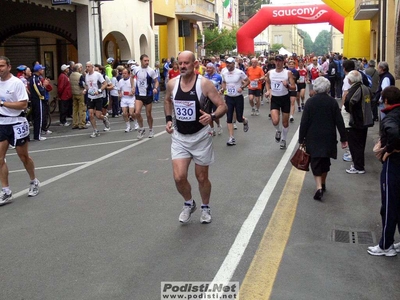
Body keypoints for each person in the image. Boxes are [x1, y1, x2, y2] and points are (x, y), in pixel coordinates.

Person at [164, 50, 227, 224]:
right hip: (180, 137)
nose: (182, 66)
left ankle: (205, 207)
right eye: (180, 63)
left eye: (186, 63)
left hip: (200, 137)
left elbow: (222, 106)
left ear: (195, 64)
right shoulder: (172, 84)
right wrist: (169, 120)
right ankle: (188, 203)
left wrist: (212, 116)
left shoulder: (204, 84)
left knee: (201, 177)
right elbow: (167, 100)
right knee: (179, 177)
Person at [0, 56, 40, 205]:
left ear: (9, 67)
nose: (0, 69)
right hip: (2, 123)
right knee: (0, 158)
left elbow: (23, 105)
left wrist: (3, 103)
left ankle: (33, 181)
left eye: (2, 66)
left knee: (23, 157)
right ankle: (6, 191)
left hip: (17, 122)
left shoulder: (16, 83)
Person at [299, 77, 347, 201]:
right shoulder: (332, 102)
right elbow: (339, 121)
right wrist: (343, 138)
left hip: (313, 136)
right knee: (325, 161)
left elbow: (304, 122)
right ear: (327, 88)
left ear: (315, 88)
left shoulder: (310, 102)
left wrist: (301, 138)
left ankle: (319, 186)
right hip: (328, 136)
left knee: (315, 161)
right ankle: (323, 183)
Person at [368, 86, 400, 256]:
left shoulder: (389, 118)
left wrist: (388, 150)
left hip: (394, 165)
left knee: (388, 206)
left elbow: (394, 135)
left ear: (386, 101)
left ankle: (386, 245)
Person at [343, 70, 374, 174]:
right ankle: (359, 165)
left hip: (357, 120)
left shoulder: (355, 89)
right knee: (361, 144)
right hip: (366, 120)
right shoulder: (366, 88)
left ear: (351, 80)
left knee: (355, 144)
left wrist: (349, 110)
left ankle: (358, 166)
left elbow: (349, 101)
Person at [264, 54, 296, 150]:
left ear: (283, 62)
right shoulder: (270, 72)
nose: (278, 63)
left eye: (280, 61)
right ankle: (278, 130)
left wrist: (288, 86)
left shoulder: (288, 73)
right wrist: (268, 90)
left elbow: (294, 87)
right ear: (274, 62)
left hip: (285, 98)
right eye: (276, 61)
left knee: (285, 122)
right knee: (275, 121)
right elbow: (267, 82)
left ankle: (283, 139)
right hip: (275, 99)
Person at [220, 57, 250, 146]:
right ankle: (231, 138)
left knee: (239, 118)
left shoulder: (239, 72)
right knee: (229, 117)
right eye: (227, 63)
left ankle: (245, 121)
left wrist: (242, 87)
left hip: (238, 97)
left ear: (233, 63)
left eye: (229, 63)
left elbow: (248, 81)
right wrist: (223, 88)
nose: (228, 65)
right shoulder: (224, 72)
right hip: (228, 97)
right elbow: (224, 82)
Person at [133, 54, 159, 139]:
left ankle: (151, 130)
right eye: (145, 61)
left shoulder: (151, 71)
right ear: (141, 61)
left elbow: (156, 81)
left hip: (148, 94)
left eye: (148, 61)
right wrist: (132, 87)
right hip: (139, 94)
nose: (147, 62)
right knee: (137, 112)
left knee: (148, 114)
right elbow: (131, 77)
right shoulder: (136, 69)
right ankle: (141, 129)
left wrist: (155, 88)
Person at [84, 61, 110, 138]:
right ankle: (95, 130)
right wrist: (85, 90)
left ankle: (104, 118)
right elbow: (87, 86)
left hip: (98, 97)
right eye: (86, 66)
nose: (87, 68)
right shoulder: (86, 76)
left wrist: (99, 90)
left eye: (88, 66)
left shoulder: (98, 75)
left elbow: (105, 84)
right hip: (90, 97)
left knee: (98, 115)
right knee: (91, 114)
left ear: (92, 67)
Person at [29, 64, 51, 141]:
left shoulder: (37, 78)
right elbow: (39, 90)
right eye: (42, 69)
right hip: (37, 100)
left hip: (38, 100)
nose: (43, 70)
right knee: (39, 117)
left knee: (39, 117)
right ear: (38, 70)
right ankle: (37, 135)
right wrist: (44, 86)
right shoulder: (35, 79)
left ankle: (37, 134)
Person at [204, 63, 223, 136]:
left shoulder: (218, 76)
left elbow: (223, 86)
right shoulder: (205, 76)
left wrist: (222, 91)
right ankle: (212, 129)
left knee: (215, 115)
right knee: (208, 114)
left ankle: (218, 125)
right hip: (207, 98)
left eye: (210, 68)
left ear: (213, 69)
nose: (208, 69)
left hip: (216, 98)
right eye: (207, 68)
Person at [70, 63, 87, 129]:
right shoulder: (80, 76)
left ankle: (75, 123)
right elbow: (82, 84)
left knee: (75, 109)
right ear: (78, 68)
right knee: (82, 109)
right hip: (80, 93)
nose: (81, 68)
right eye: (81, 67)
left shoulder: (71, 75)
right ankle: (82, 123)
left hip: (74, 93)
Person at [118, 68, 136, 132]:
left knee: (131, 113)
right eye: (123, 73)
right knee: (124, 113)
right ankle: (128, 126)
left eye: (125, 73)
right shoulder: (120, 81)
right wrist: (120, 93)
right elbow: (119, 90)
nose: (123, 75)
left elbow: (135, 90)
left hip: (131, 98)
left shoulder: (133, 80)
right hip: (124, 99)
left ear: (128, 74)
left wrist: (132, 92)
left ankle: (136, 123)